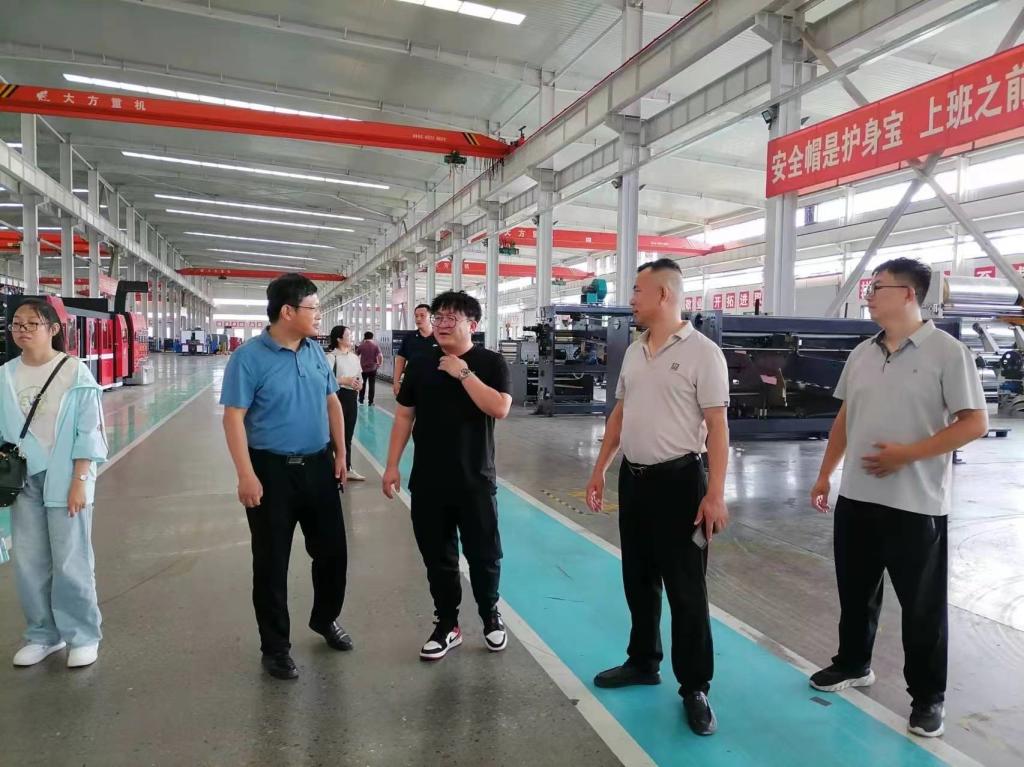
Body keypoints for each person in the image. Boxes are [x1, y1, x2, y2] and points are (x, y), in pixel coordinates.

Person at [809, 258, 988, 738]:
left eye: (877, 287)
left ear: (909, 294)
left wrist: (907, 455)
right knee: (856, 591)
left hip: (916, 504)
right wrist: (826, 474)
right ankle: (853, 663)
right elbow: (846, 417)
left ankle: (928, 698)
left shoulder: (948, 353)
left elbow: (975, 422)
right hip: (858, 498)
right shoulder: (862, 353)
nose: (868, 295)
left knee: (921, 607)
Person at [585, 258, 730, 737]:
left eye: (637, 291)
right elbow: (620, 415)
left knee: (687, 589)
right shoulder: (634, 351)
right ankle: (643, 660)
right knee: (639, 578)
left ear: (664, 295)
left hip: (680, 484)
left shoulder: (703, 353)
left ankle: (695, 687)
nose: (630, 300)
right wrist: (600, 469)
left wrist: (714, 494)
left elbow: (718, 427)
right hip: (635, 480)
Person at [220, 273, 352, 681]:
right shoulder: (248, 358)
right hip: (271, 471)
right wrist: (246, 474)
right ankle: (275, 647)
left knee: (333, 553)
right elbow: (233, 418)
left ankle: (324, 618)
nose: (319, 315)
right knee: (272, 562)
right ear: (288, 311)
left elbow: (332, 402)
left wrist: (341, 453)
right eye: (314, 308)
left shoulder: (314, 352)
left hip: (318, 466)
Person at [382, 291, 512, 661]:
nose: (441, 324)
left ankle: (490, 616)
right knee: (438, 559)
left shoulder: (490, 362)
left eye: (450, 318)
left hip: (475, 479)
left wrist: (463, 372)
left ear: (472, 324)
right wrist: (392, 465)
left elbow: (499, 408)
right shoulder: (421, 363)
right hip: (429, 481)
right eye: (438, 317)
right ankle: (448, 624)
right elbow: (404, 415)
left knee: (484, 555)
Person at [1, 298, 107, 669]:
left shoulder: (74, 372)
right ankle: (43, 635)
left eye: (32, 323)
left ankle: (83, 635)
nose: (23, 330)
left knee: (71, 559)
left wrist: (80, 480)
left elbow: (88, 431)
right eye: (17, 324)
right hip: (22, 480)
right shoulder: (4, 375)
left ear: (53, 329)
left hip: (66, 477)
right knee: (29, 560)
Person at [326, 325, 365, 482]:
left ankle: (347, 468)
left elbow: (359, 377)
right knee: (332, 435)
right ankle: (330, 467)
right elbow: (324, 381)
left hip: (351, 398)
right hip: (336, 397)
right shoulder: (331, 358)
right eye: (348, 335)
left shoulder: (354, 358)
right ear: (339, 339)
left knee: (347, 434)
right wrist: (343, 380)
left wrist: (359, 385)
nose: (351, 337)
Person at [392, 303, 439, 397]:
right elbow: (401, 359)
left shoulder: (440, 337)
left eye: (422, 316)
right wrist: (396, 382)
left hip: (435, 386)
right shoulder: (409, 337)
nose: (418, 319)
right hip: (411, 385)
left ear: (431, 317)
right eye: (416, 316)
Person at [357, 331, 383, 406]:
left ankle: (361, 400)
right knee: (372, 385)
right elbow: (380, 356)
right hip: (373, 368)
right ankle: (370, 402)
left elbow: (356, 354)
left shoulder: (362, 346)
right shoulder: (375, 345)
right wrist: (380, 363)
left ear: (364, 337)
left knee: (363, 383)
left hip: (363, 368)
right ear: (372, 337)